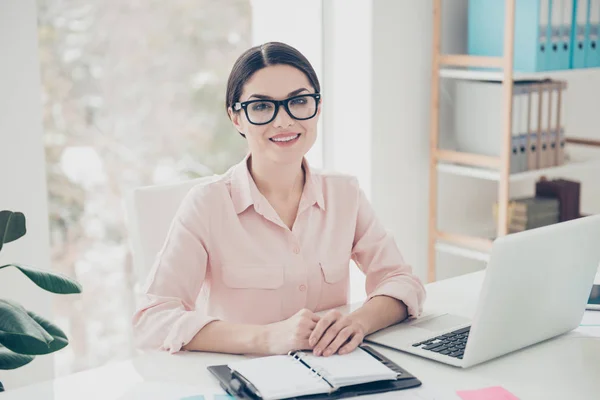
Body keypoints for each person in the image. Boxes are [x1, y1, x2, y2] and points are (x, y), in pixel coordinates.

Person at [132, 42, 426, 358]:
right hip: (241, 380)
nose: (283, 121)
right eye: (261, 107)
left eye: (298, 101)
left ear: (318, 106)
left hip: (336, 375)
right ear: (236, 118)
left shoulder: (345, 194)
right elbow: (153, 319)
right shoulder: (207, 205)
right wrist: (266, 338)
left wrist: (357, 322)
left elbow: (401, 281)